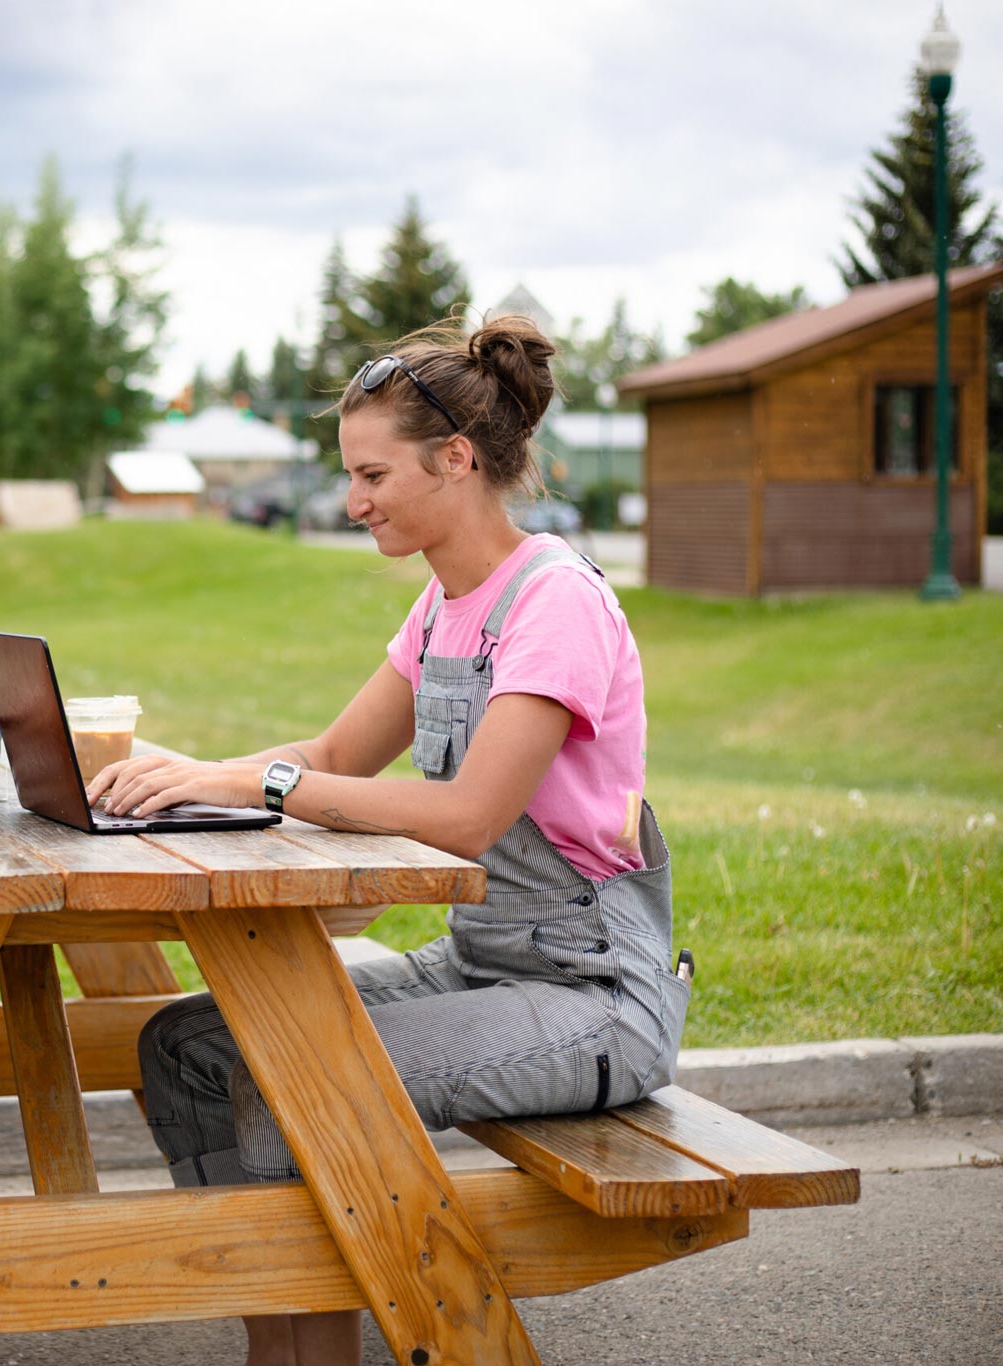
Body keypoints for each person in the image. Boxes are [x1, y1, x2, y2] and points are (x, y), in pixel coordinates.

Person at [88, 315, 687, 1366]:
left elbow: (467, 819)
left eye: (370, 475)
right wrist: (187, 774)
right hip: (481, 964)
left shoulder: (554, 603)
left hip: (592, 995)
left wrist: (260, 781)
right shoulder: (445, 607)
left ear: (454, 460)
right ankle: (280, 1340)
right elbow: (333, 752)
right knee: (181, 1050)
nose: (352, 500)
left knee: (285, 1079)